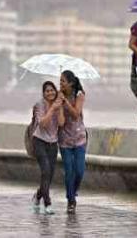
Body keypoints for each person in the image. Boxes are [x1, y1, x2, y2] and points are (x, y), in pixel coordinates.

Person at [32, 81, 64, 215]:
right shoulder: (39, 105)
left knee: (49, 175)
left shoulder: (58, 104)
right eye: (47, 91)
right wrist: (52, 109)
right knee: (45, 171)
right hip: (39, 141)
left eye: (52, 90)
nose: (50, 93)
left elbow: (61, 123)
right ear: (43, 93)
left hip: (53, 143)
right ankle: (47, 204)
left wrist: (59, 107)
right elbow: (43, 124)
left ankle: (38, 196)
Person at [58, 70, 87, 214]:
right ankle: (71, 200)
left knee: (80, 171)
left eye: (63, 81)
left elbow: (76, 114)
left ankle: (72, 192)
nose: (60, 84)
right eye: (60, 81)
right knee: (69, 171)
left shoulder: (79, 94)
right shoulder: (58, 96)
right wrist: (59, 103)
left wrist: (65, 102)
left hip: (80, 138)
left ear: (70, 82)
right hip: (64, 139)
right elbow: (61, 122)